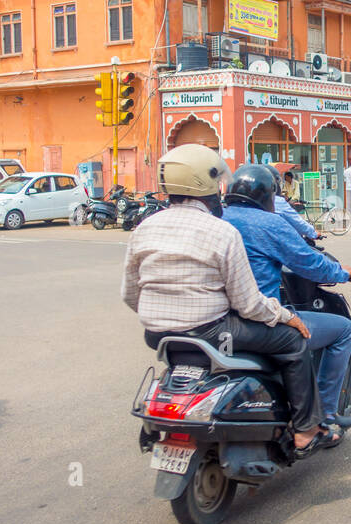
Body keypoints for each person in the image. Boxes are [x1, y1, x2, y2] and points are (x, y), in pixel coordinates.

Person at [121, 145, 336, 455]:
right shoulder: (221, 231)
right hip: (211, 331)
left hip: (158, 335)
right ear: (205, 185)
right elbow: (249, 304)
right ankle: (305, 430)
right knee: (292, 341)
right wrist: (288, 317)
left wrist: (162, 315)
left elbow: (130, 294)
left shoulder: (144, 228)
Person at [223, 164, 351, 430]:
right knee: (344, 330)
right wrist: (343, 273)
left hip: (219, 321)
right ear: (267, 195)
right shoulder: (270, 223)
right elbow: (310, 264)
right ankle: (325, 415)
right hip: (260, 320)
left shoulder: (218, 220)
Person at [264, 165, 317, 241]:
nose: (285, 179)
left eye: (286, 177)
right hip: (286, 201)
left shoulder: (295, 183)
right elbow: (298, 223)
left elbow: (297, 194)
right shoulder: (279, 202)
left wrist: (291, 199)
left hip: (293, 199)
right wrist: (313, 233)